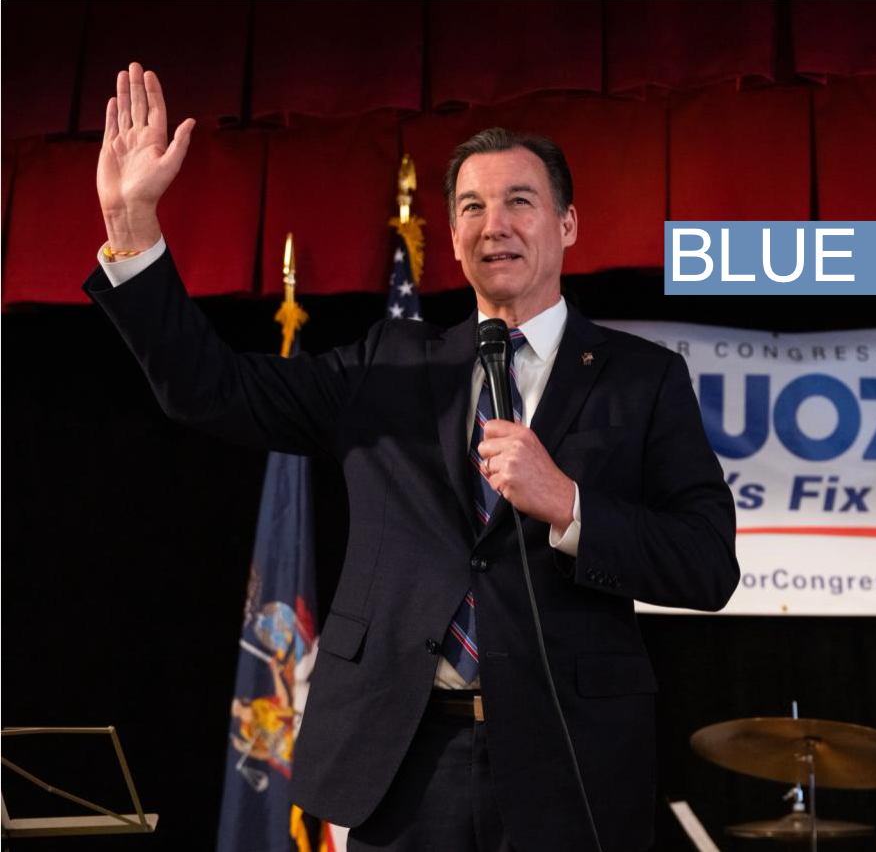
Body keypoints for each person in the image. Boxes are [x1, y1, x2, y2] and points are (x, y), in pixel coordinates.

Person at [86, 62, 739, 851]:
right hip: (402, 758)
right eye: (470, 207)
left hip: (569, 761)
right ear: (453, 235)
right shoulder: (387, 366)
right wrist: (133, 225)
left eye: (518, 202)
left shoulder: (642, 379)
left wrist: (570, 505)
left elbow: (708, 565)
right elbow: (210, 388)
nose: (492, 223)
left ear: (567, 225)